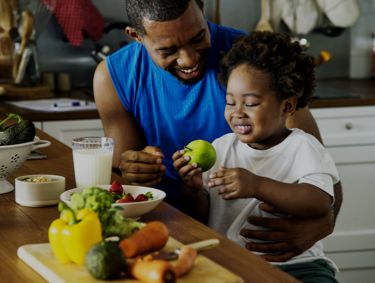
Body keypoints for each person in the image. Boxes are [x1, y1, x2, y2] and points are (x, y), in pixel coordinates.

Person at [93, 0, 343, 263]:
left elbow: (323, 178)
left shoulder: (252, 62)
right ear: (136, 36)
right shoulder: (114, 77)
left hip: (259, 250)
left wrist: (323, 225)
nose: (189, 59)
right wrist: (132, 168)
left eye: (198, 37)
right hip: (163, 236)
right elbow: (121, 185)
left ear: (202, 8)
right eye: (168, 50)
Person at [173, 31, 340, 282]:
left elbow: (319, 202)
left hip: (300, 265)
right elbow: (202, 218)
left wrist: (257, 185)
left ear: (287, 106)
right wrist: (193, 190)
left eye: (250, 104)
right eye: (230, 102)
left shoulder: (303, 147)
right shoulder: (221, 148)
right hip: (232, 263)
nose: (237, 113)